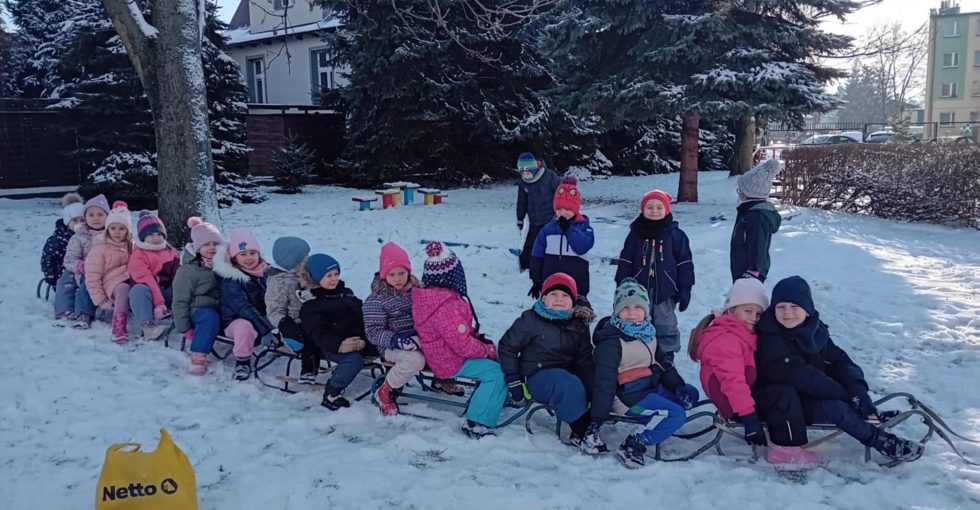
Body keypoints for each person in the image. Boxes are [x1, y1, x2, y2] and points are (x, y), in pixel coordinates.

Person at [754, 276, 924, 464]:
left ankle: (868, 414)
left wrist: (857, 391)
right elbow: (802, 376)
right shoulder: (770, 337)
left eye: (794, 306)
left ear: (807, 309)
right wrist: (847, 396)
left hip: (807, 395)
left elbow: (839, 360)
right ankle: (880, 441)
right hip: (781, 405)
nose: (787, 312)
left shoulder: (813, 330)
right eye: (781, 307)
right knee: (836, 409)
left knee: (846, 391)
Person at [591, 277, 699, 468]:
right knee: (676, 414)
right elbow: (604, 382)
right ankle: (634, 444)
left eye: (638, 307)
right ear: (617, 311)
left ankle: (660, 420)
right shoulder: (612, 343)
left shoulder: (648, 333)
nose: (632, 313)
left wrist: (677, 386)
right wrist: (598, 418)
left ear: (646, 310)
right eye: (625, 308)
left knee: (690, 393)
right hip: (629, 398)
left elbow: (663, 363)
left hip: (650, 388)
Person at [412, 242, 505, 438]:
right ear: (454, 276)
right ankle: (477, 421)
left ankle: (491, 397)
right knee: (496, 373)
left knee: (490, 361)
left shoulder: (431, 299)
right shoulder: (446, 306)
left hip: (441, 354)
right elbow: (462, 345)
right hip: (450, 361)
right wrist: (485, 350)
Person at [498, 272, 598, 451]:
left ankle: (583, 428)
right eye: (553, 294)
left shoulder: (578, 325)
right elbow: (507, 347)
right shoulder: (530, 320)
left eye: (565, 295)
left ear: (573, 301)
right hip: (537, 376)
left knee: (585, 383)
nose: (559, 299)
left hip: (567, 376)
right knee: (566, 382)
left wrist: (592, 391)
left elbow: (584, 361)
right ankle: (583, 431)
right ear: (543, 297)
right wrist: (514, 380)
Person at [688, 278, 769, 452]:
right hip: (735, 406)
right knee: (784, 399)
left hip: (740, 399)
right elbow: (733, 382)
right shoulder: (727, 339)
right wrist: (749, 418)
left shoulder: (741, 333)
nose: (753, 318)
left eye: (758, 314)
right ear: (731, 310)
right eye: (748, 311)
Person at [614, 189, 694, 354]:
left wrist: (686, 287)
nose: (655, 211)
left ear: (666, 210)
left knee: (666, 324)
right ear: (643, 210)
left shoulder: (675, 235)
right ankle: (638, 353)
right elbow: (626, 259)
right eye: (650, 207)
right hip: (638, 290)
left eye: (659, 207)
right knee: (637, 320)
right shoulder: (636, 233)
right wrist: (621, 283)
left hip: (665, 290)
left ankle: (667, 355)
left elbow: (685, 262)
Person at [300, 254, 378, 411]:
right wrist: (340, 346)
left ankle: (391, 385)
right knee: (353, 360)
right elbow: (318, 333)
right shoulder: (311, 305)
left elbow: (360, 314)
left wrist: (367, 336)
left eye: (336, 274)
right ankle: (332, 392)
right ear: (315, 278)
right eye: (328, 276)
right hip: (330, 346)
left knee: (385, 346)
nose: (334, 279)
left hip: (356, 339)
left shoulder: (345, 293)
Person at [213, 228, 275, 381]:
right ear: (234, 258)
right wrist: (265, 328)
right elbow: (242, 307)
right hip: (233, 321)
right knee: (244, 327)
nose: (249, 258)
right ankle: (242, 361)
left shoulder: (265, 272)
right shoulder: (232, 278)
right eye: (243, 254)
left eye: (252, 253)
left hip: (259, 317)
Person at [172, 217, 223, 376]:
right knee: (209, 317)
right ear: (197, 247)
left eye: (215, 244)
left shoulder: (223, 264)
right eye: (206, 244)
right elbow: (180, 300)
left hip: (220, 306)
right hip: (197, 310)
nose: (212, 248)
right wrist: (184, 326)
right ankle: (198, 355)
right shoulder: (188, 271)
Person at [529, 176, 595, 299]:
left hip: (577, 284)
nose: (563, 213)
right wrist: (536, 280)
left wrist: (569, 230)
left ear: (576, 209)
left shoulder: (584, 227)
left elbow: (583, 247)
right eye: (559, 209)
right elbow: (537, 254)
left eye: (567, 209)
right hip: (551, 283)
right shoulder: (548, 229)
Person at [266, 236, 320, 383]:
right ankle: (308, 371)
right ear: (292, 261)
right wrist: (284, 324)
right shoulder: (279, 283)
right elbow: (274, 309)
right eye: (304, 258)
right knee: (309, 338)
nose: (307, 260)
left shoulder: (303, 275)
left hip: (311, 316)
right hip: (294, 325)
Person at [84, 201, 133, 344]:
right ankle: (119, 326)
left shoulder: (132, 246)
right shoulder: (100, 248)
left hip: (130, 278)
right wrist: (100, 299)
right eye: (113, 228)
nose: (117, 232)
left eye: (121, 228)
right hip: (111, 282)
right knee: (123, 289)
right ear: (107, 229)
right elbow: (92, 275)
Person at [127, 211, 180, 340]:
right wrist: (159, 303)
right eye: (150, 234)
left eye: (159, 234)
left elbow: (177, 277)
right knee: (138, 290)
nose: (156, 238)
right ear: (142, 237)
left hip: (166, 291)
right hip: (148, 295)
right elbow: (147, 280)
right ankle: (148, 326)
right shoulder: (138, 255)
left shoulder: (171, 252)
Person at [62, 194, 110, 329]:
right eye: (91, 215)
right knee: (88, 281)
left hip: (111, 270)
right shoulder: (79, 237)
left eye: (100, 215)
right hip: (87, 271)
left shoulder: (113, 233)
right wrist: (80, 266)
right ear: (86, 218)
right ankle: (84, 313)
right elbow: (69, 259)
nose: (96, 218)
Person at [730, 159, 781, 283]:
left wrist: (753, 271)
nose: (739, 193)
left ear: (747, 194)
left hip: (750, 275)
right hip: (744, 271)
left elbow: (758, 245)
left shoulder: (755, 216)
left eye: (740, 190)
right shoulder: (748, 211)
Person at [515, 152, 560, 272]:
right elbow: (521, 202)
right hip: (534, 220)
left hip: (551, 219)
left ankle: (553, 264)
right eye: (522, 173)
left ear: (534, 169)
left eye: (528, 172)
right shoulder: (523, 183)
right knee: (531, 243)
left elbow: (560, 193)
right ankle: (525, 264)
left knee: (551, 243)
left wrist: (561, 212)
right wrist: (520, 218)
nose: (526, 175)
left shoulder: (549, 176)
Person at [44, 192, 85, 319]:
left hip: (84, 268)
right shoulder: (57, 240)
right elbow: (48, 259)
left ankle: (86, 309)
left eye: (82, 220)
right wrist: (51, 274)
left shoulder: (89, 236)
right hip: (63, 271)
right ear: (67, 222)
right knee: (67, 281)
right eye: (74, 220)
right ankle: (64, 309)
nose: (79, 223)